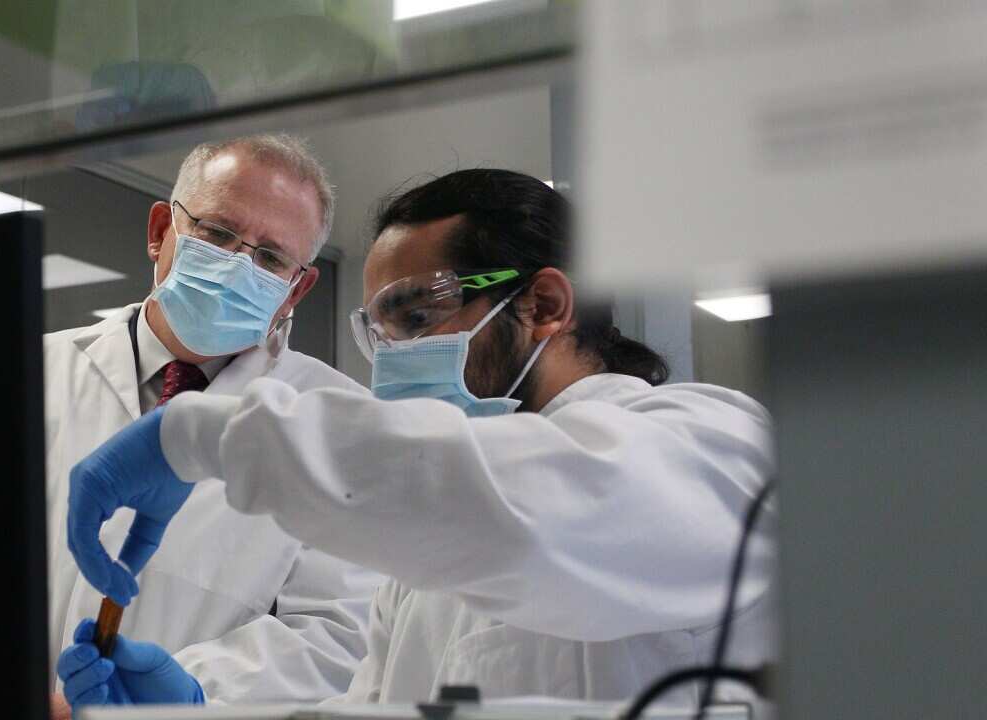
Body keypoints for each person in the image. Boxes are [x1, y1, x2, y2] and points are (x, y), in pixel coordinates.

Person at [59, 170, 776, 708]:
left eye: (415, 315)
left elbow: (529, 513)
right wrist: (190, 712)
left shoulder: (716, 444)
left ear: (544, 304)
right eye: (379, 330)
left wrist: (203, 438)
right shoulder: (421, 570)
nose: (393, 356)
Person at [43, 134, 382, 711]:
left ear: (296, 287)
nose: (235, 266)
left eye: (271, 258)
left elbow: (337, 633)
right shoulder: (32, 371)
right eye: (218, 232)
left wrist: (188, 693)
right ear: (160, 232)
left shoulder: (337, 422)